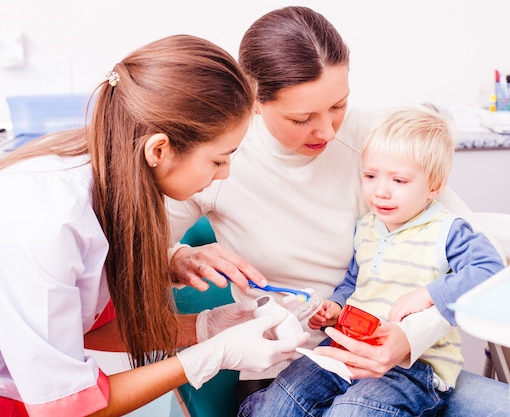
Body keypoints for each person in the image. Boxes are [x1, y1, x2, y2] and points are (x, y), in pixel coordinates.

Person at [166, 6, 510, 416]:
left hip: (402, 361)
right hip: (291, 366)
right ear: (253, 99)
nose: (328, 131)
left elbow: (485, 258)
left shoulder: (377, 142)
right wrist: (178, 256)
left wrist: (409, 336)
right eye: (302, 118)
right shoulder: (220, 157)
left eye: (339, 105)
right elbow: (140, 250)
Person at [0, 34, 307, 417]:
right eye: (219, 159)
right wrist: (209, 356)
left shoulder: (108, 170)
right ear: (158, 149)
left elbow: (79, 322)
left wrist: (203, 323)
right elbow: (65, 408)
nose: (225, 173)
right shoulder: (47, 224)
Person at [238, 105, 505, 416]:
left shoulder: (448, 230)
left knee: (353, 411)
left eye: (399, 181)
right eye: (370, 176)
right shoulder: (366, 227)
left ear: (434, 185)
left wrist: (429, 294)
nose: (381, 191)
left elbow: (491, 270)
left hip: (413, 368)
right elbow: (355, 282)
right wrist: (335, 308)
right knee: (278, 402)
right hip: (343, 351)